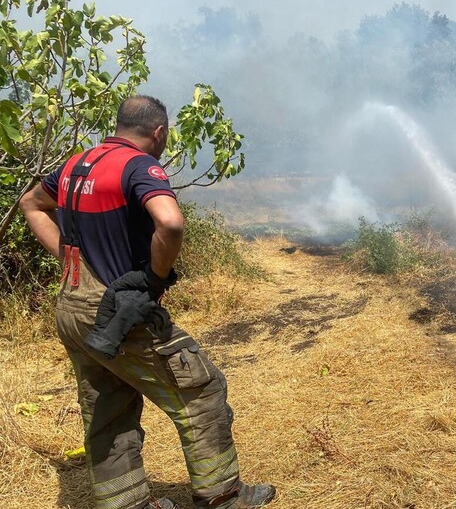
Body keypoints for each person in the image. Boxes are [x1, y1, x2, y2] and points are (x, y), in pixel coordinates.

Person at [20, 96, 276, 509]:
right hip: (116, 312)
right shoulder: (138, 166)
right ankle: (224, 496)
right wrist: (153, 279)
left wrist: (73, 263)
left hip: (71, 306)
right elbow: (170, 221)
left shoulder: (76, 164)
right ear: (158, 132)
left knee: (108, 406)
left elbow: (31, 203)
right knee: (202, 391)